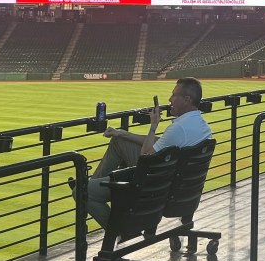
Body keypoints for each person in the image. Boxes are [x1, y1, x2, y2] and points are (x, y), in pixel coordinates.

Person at [84, 77, 211, 228]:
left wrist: (153, 125)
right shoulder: (202, 126)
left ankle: (119, 228)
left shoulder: (178, 128)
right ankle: (95, 184)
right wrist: (123, 134)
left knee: (82, 192)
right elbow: (160, 142)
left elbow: (145, 155)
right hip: (178, 187)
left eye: (174, 95)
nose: (170, 99)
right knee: (119, 140)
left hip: (153, 185)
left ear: (187, 100)